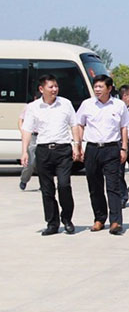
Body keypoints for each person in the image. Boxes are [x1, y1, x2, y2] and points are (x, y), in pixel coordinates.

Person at [20, 74, 78, 235]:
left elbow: (74, 125)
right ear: (41, 89)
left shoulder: (65, 104)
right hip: (43, 150)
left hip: (63, 150)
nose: (54, 89)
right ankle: (52, 223)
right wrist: (24, 151)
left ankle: (67, 219)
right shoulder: (33, 107)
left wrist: (77, 145)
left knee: (64, 185)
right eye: (51, 87)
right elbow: (27, 130)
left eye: (56, 86)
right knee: (47, 189)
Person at [74, 74, 129, 235]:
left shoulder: (118, 105)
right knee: (94, 186)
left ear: (109, 88)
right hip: (92, 149)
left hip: (111, 148)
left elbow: (124, 127)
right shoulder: (87, 104)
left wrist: (124, 148)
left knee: (113, 186)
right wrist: (79, 146)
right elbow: (79, 124)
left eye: (101, 87)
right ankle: (99, 218)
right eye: (95, 87)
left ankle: (116, 221)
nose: (97, 90)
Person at [18, 96, 39, 191]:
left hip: (44, 136)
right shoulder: (30, 106)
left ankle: (45, 184)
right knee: (30, 162)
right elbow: (20, 120)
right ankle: (24, 179)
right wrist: (23, 132)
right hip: (32, 136)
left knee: (44, 163)